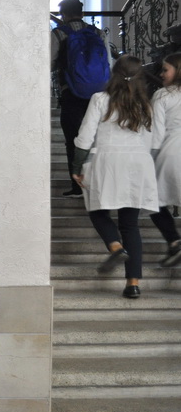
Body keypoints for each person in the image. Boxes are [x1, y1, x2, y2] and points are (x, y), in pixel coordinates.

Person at [72, 56, 158, 298]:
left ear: (113, 73)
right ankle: (133, 284)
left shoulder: (100, 99)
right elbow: (150, 140)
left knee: (97, 210)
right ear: (140, 77)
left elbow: (85, 136)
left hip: (108, 161)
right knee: (130, 224)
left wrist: (76, 165)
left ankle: (115, 246)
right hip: (138, 162)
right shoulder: (145, 104)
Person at [53, 0, 108, 198]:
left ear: (63, 15)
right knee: (98, 139)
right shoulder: (98, 33)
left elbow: (49, 62)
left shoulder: (58, 33)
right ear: (82, 13)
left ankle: (77, 187)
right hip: (99, 94)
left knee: (72, 139)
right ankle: (99, 186)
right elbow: (108, 64)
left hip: (71, 93)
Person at [149, 52, 181, 267]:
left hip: (171, 152)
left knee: (154, 202)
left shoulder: (162, 95)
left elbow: (157, 133)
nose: (161, 74)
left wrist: (149, 159)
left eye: (165, 69)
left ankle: (174, 241)